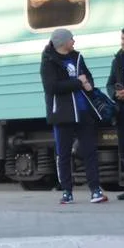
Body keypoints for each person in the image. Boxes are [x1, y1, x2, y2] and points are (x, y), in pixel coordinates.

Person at [41, 28, 107, 204]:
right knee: (63, 154)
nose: (74, 41)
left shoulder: (77, 57)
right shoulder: (48, 60)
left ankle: (95, 190)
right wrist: (79, 82)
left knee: (90, 151)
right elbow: (52, 87)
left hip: (84, 111)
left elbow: (88, 77)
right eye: (71, 39)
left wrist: (88, 84)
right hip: (62, 114)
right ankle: (67, 192)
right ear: (62, 42)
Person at [105, 27, 124, 199]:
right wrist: (115, 93)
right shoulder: (118, 59)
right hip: (122, 110)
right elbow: (110, 83)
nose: (123, 42)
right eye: (122, 39)